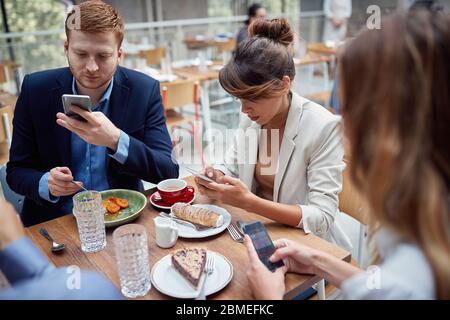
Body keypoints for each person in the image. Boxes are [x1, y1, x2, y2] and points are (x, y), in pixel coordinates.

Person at [244, 9, 450, 299]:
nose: (345, 124)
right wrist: (317, 260)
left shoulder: (408, 284)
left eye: (351, 107)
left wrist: (270, 298)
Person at [6, 1, 178, 227]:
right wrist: (46, 183)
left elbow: (167, 172)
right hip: (56, 222)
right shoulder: (35, 89)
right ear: (66, 48)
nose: (91, 67)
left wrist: (115, 140)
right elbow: (16, 171)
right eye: (81, 53)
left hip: (124, 219)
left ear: (119, 54)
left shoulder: (144, 91)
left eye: (103, 56)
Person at [196, 19, 351, 250]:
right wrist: (217, 175)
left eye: (252, 98)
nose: (243, 109)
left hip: (307, 248)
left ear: (283, 85)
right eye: (239, 99)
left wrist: (250, 203)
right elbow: (233, 165)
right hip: (255, 234)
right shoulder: (252, 117)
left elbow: (321, 217)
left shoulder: (323, 127)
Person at [0, 198, 122, 299]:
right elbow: (91, 291)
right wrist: (14, 246)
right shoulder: (94, 291)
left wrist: (14, 248)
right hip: (52, 226)